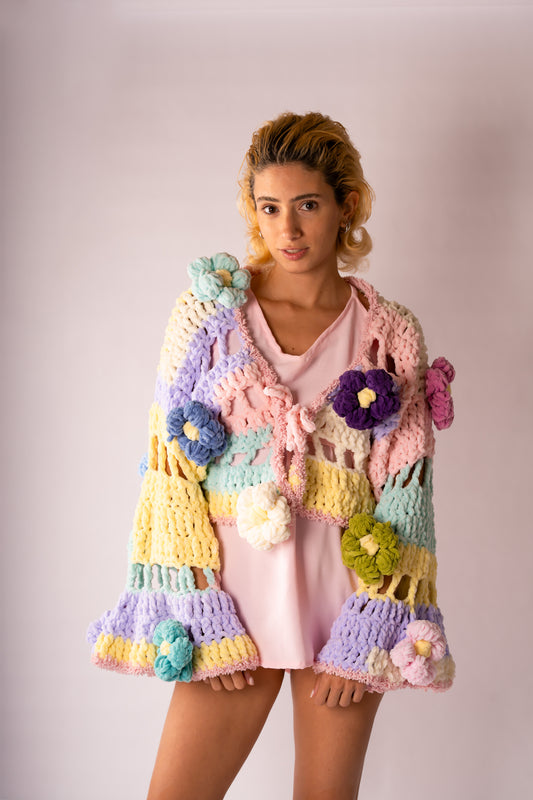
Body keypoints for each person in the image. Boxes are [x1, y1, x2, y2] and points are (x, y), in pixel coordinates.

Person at [88, 111, 455, 800]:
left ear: (347, 206)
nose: (287, 229)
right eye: (269, 208)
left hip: (345, 608)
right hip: (228, 605)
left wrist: (370, 626)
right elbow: (169, 473)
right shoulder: (207, 321)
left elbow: (407, 492)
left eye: (307, 205)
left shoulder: (390, 334)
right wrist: (200, 613)